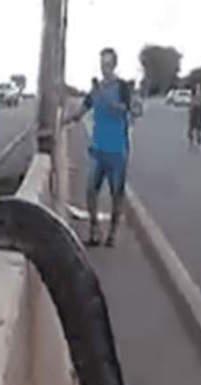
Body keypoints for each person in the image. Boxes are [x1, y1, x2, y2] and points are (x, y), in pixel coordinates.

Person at [65, 48, 134, 247]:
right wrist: (62, 122)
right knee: (90, 191)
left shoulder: (122, 87)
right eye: (103, 64)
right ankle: (94, 230)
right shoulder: (95, 91)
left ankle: (112, 233)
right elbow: (81, 111)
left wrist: (104, 94)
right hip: (98, 149)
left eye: (108, 64)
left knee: (116, 194)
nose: (105, 68)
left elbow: (123, 110)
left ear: (114, 65)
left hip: (117, 151)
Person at [188, 84, 201, 149]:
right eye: (197, 88)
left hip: (199, 115)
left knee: (199, 131)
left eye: (199, 88)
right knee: (190, 130)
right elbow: (191, 106)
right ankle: (191, 142)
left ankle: (199, 143)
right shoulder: (193, 97)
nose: (198, 90)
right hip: (193, 115)